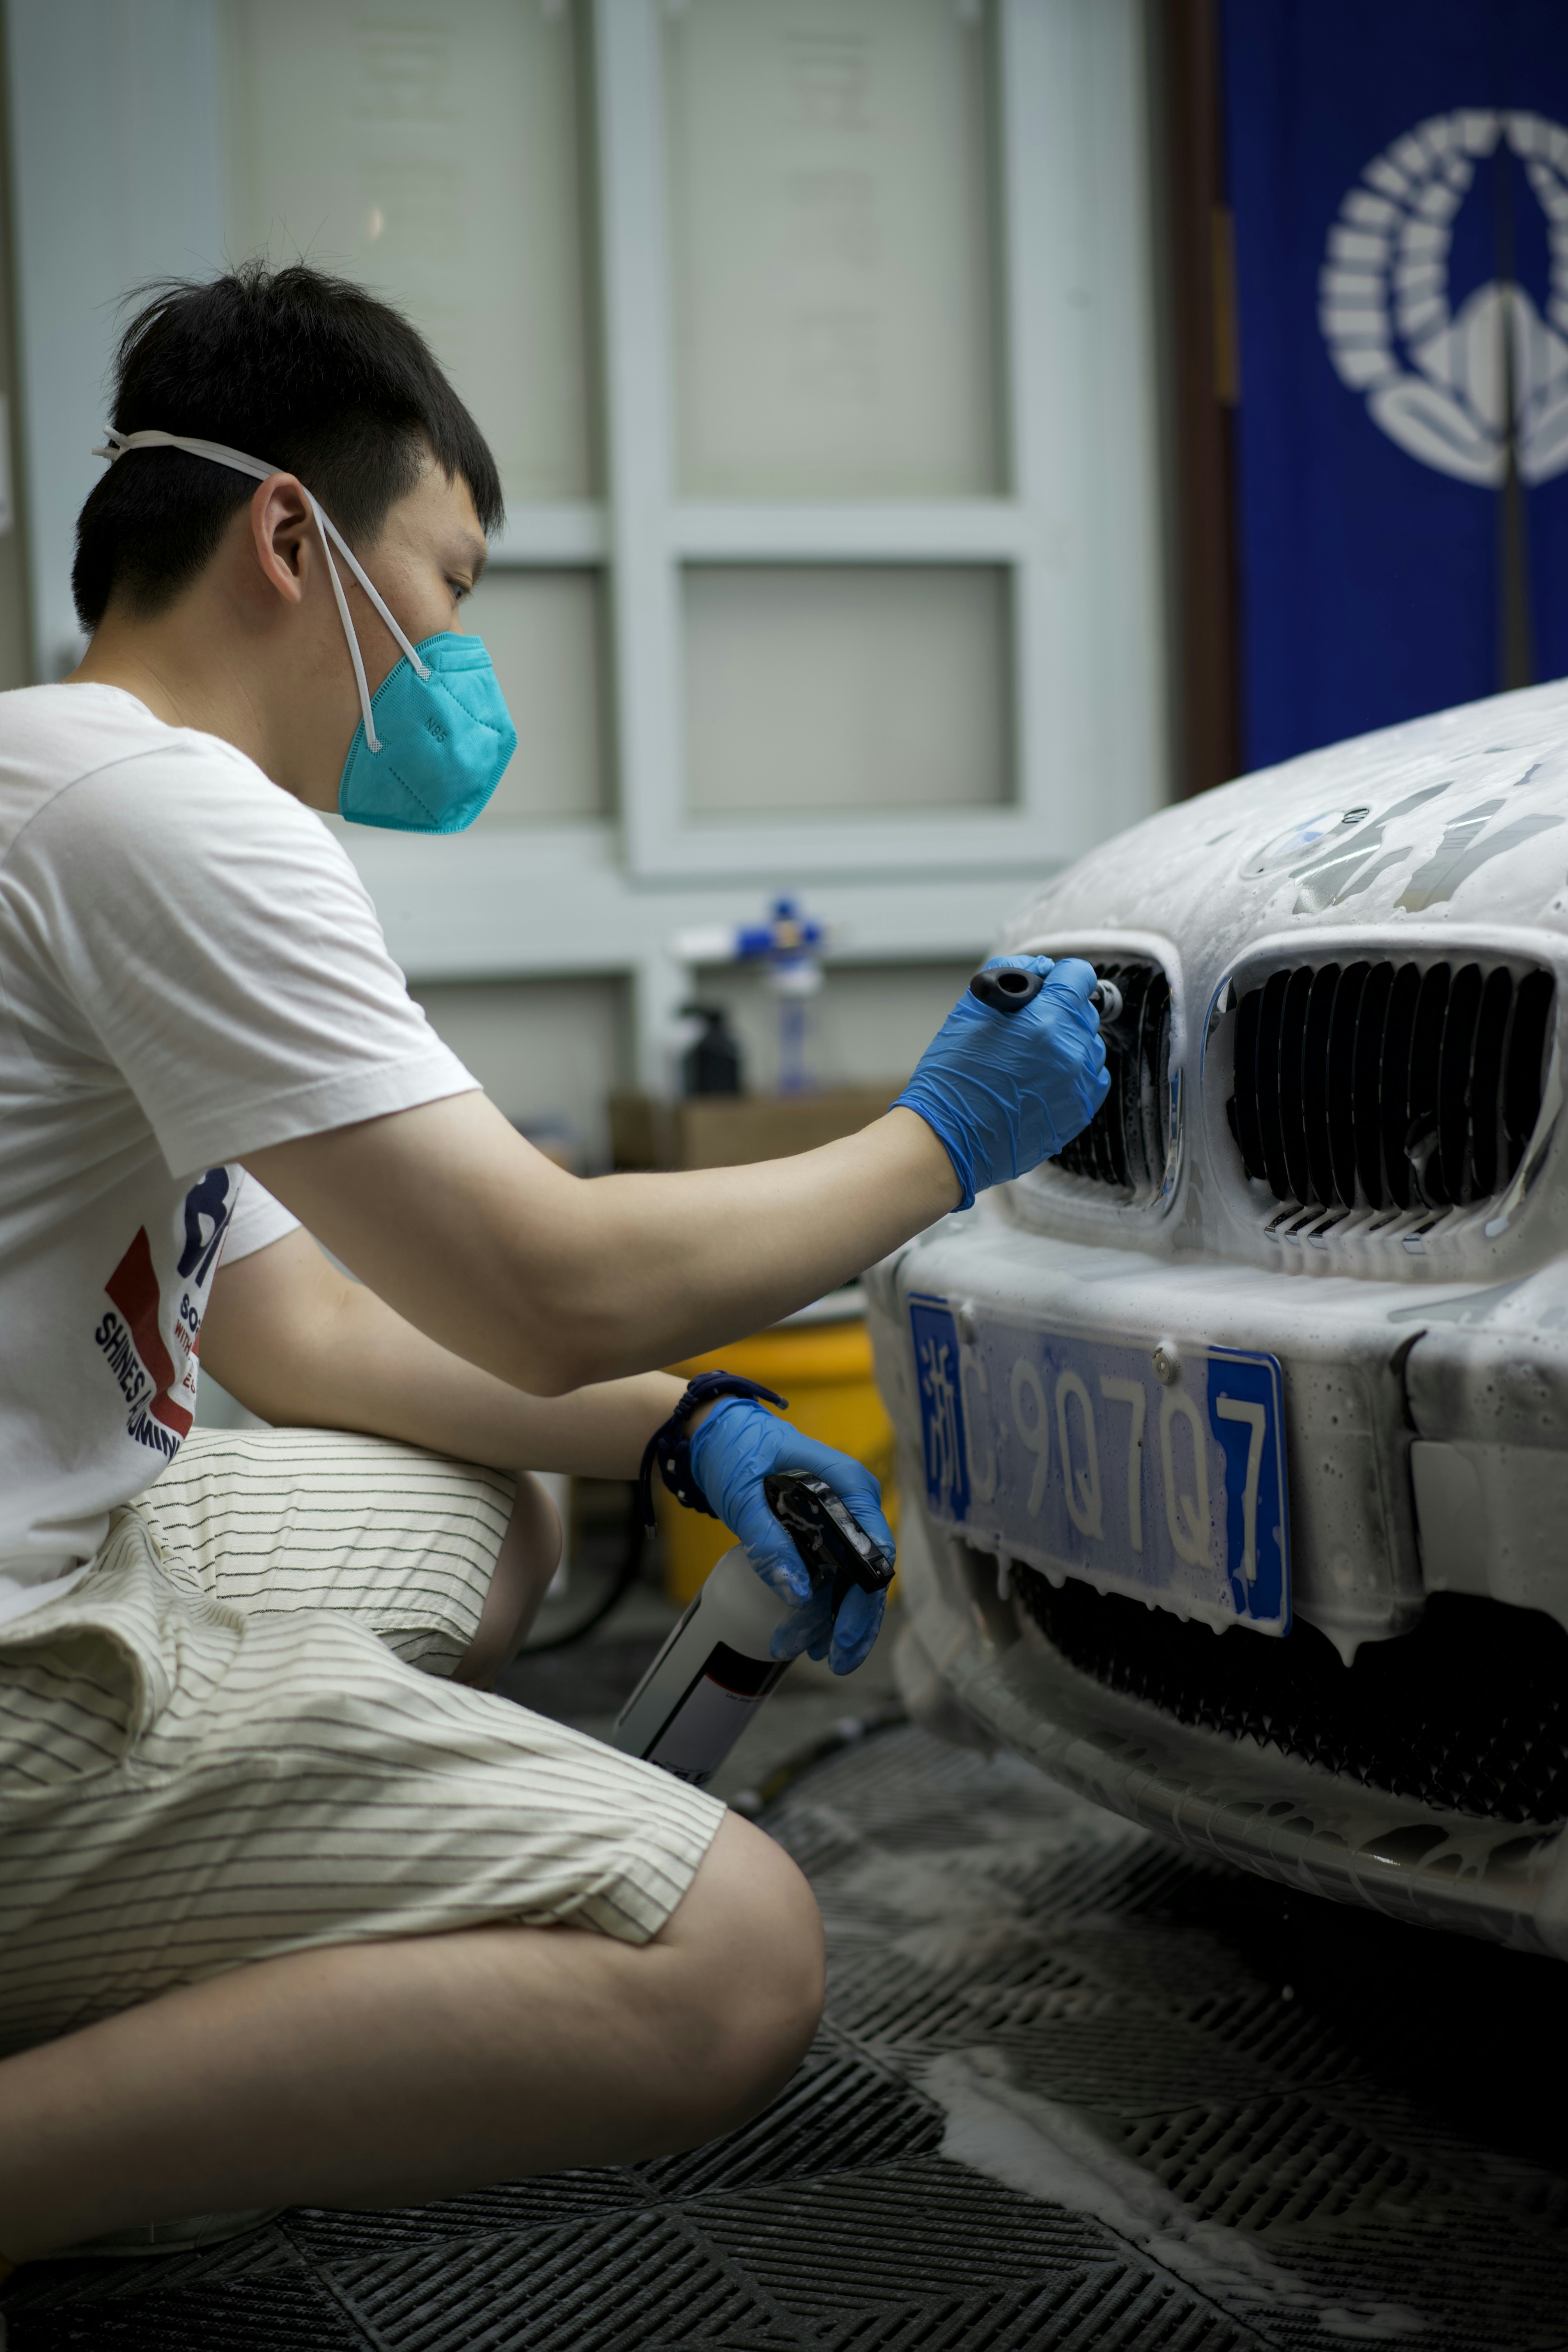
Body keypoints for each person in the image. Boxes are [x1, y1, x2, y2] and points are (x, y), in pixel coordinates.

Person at [0, 264, 1108, 2268]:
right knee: (731, 1955)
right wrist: (934, 1143)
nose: (455, 660)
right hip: (17, 1661)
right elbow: (546, 1283)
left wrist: (680, 1425)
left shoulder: (53, 781)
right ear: (284, 538)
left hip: (69, 1548)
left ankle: (200, 1915)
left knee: (483, 1494)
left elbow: (310, 1325)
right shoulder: (166, 815)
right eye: (444, 581)